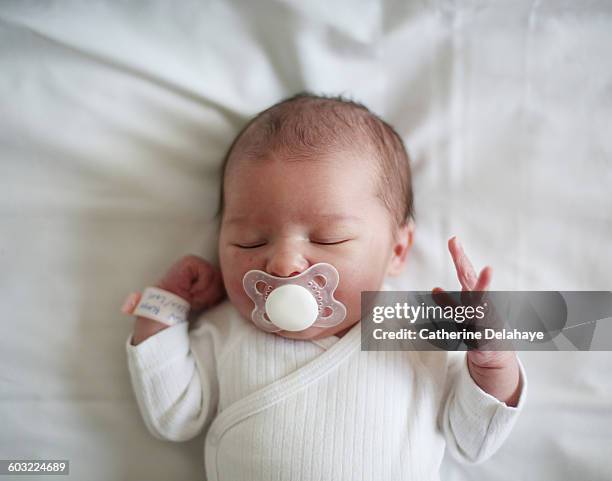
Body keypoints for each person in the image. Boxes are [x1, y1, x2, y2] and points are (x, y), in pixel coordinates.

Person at [121, 92, 526, 481]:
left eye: (328, 238)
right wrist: (165, 305)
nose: (282, 263)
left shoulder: (416, 329)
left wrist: (492, 365)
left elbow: (473, 442)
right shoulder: (227, 330)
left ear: (397, 249)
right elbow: (172, 416)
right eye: (251, 241)